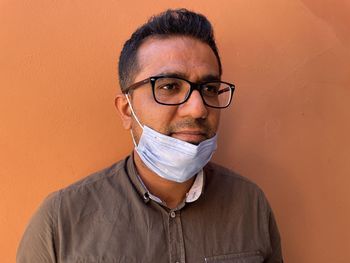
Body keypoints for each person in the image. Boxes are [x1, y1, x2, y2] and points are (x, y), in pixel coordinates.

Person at [17, 8, 283, 263]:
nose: (199, 108)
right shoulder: (61, 222)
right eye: (169, 86)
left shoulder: (250, 205)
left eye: (210, 88)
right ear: (126, 110)